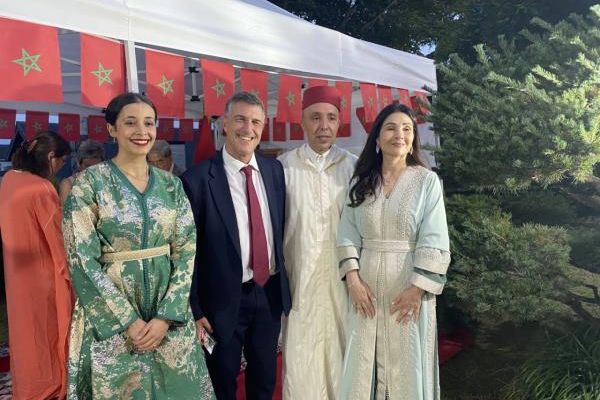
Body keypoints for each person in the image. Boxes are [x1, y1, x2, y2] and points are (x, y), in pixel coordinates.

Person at [62, 92, 214, 399]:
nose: (141, 131)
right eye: (130, 123)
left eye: (149, 123)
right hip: (112, 314)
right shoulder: (88, 184)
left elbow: (186, 250)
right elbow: (81, 259)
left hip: (167, 313)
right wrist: (128, 322)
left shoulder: (171, 185)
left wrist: (166, 316)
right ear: (112, 129)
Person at [181, 91, 291, 400]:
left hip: (268, 294)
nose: (248, 128)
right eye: (240, 119)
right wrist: (195, 306)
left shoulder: (274, 171)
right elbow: (189, 250)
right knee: (223, 381)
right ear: (225, 124)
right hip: (221, 301)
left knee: (265, 379)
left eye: (255, 121)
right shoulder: (197, 180)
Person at [337, 104, 450, 399]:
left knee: (407, 360)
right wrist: (353, 280)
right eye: (390, 127)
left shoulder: (427, 181)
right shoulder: (361, 182)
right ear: (377, 137)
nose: (399, 134)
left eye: (407, 128)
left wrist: (417, 289)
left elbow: (434, 236)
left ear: (413, 138)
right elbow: (347, 232)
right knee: (363, 363)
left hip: (409, 289)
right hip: (366, 290)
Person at [278, 85, 356, 399]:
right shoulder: (283, 167)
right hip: (299, 278)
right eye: (315, 118)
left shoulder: (354, 167)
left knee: (343, 350)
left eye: (331, 118)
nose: (323, 126)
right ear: (302, 121)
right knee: (300, 358)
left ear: (339, 122)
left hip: (343, 280)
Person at [0, 131, 73, 399]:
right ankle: (50, 390)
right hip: (44, 281)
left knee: (25, 340)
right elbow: (59, 241)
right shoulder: (40, 189)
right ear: (52, 157)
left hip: (17, 276)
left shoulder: (9, 179)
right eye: (61, 162)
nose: (60, 169)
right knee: (47, 340)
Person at [59, 139, 105, 203]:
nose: (91, 170)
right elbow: (65, 211)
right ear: (78, 164)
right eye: (87, 166)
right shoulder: (68, 184)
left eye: (96, 166)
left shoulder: (108, 184)